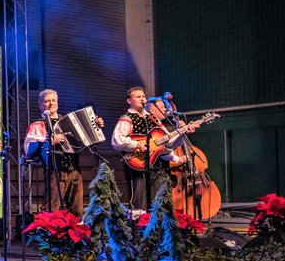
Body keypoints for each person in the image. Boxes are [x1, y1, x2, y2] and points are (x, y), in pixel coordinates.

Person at [111, 86, 193, 214]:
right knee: (139, 202)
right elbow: (117, 141)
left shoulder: (153, 119)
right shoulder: (127, 118)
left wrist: (183, 133)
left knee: (157, 203)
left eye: (143, 96)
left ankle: (156, 230)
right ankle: (138, 230)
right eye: (138, 97)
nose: (142, 99)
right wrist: (137, 145)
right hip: (136, 164)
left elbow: (168, 143)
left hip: (155, 166)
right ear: (129, 101)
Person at [23, 89, 104, 218]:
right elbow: (29, 148)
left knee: (77, 210)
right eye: (47, 101)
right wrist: (50, 140)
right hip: (55, 172)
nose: (51, 103)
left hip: (75, 170)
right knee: (52, 208)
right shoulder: (38, 124)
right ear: (40, 105)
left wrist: (96, 127)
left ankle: (74, 236)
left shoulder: (68, 121)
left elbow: (85, 139)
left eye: (53, 100)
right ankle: (50, 236)